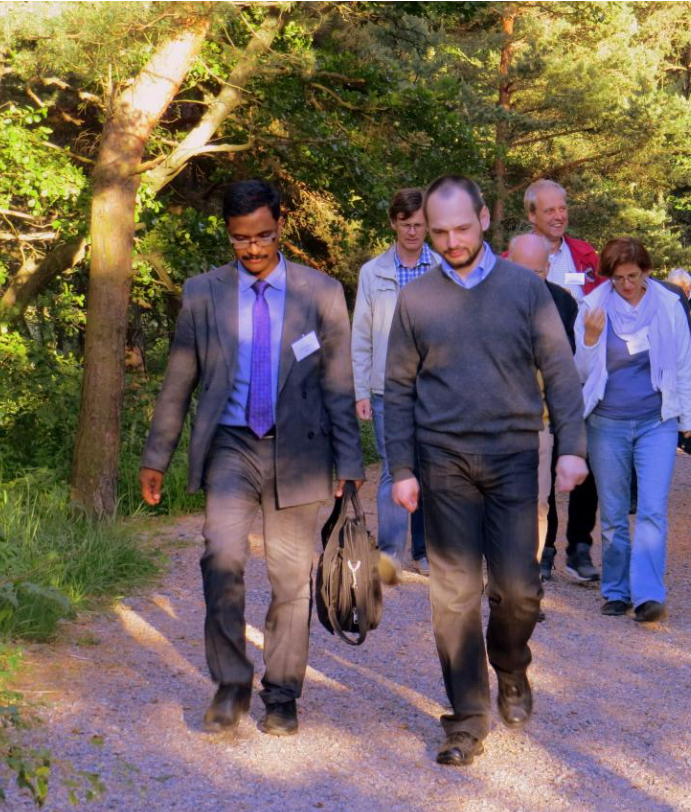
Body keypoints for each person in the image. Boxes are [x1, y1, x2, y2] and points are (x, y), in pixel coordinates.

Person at [139, 180, 364, 737]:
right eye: (242, 239)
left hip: (302, 452)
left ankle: (282, 694)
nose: (254, 249)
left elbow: (339, 384)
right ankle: (230, 684)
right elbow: (179, 381)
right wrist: (156, 456)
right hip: (232, 446)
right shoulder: (203, 293)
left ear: (281, 224)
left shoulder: (322, 292)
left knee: (291, 577)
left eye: (263, 235)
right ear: (229, 236)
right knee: (221, 559)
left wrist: (349, 464)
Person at [384, 176, 588, 766]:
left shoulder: (526, 290)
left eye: (462, 229)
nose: (451, 241)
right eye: (440, 232)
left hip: (513, 455)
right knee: (454, 595)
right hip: (443, 459)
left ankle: (512, 664)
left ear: (486, 218)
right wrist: (402, 467)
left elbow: (560, 369)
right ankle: (467, 719)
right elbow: (397, 389)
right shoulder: (415, 299)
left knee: (519, 590)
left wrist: (571, 445)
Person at [574, 238, 691, 624]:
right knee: (612, 513)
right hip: (606, 422)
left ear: (646, 271)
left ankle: (648, 595)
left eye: (632, 276)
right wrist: (591, 340)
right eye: (618, 279)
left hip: (655, 421)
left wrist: (689, 421)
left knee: (651, 511)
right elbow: (579, 371)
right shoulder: (593, 306)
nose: (626, 285)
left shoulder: (667, 304)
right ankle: (616, 589)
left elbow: (682, 363)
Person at [523, 179, 603, 584]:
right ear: (532, 215)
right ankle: (544, 547)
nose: (559, 215)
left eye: (562, 208)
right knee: (542, 468)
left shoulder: (586, 256)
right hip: (533, 385)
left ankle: (580, 548)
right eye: (549, 210)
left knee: (581, 458)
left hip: (581, 371)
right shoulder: (512, 258)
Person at [351, 188, 434, 583]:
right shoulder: (373, 272)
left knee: (433, 468)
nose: (413, 231)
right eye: (406, 225)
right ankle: (389, 553)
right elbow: (361, 336)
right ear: (393, 224)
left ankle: (426, 551)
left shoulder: (442, 269)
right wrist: (361, 390)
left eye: (419, 224)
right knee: (393, 469)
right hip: (388, 387)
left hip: (436, 386)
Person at [507, 232, 579, 582]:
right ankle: (501, 575)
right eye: (523, 269)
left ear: (547, 268)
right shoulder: (487, 302)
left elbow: (568, 370)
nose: (530, 279)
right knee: (499, 507)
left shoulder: (563, 303)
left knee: (537, 504)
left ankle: (527, 583)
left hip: (539, 422)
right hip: (493, 425)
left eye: (537, 271)